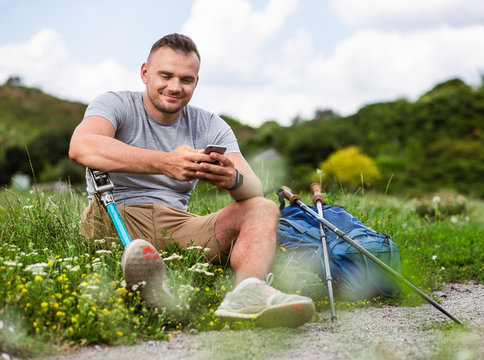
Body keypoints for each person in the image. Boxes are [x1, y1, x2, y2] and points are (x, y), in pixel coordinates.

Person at [69, 33, 315, 328]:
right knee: (132, 245)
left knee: (262, 207)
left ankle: (247, 293)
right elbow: (81, 146)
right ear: (145, 73)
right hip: (113, 212)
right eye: (166, 76)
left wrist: (232, 178)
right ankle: (148, 278)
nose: (175, 87)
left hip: (178, 224)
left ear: (196, 82)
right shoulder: (115, 103)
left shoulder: (210, 124)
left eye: (186, 79)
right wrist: (164, 162)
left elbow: (255, 188)